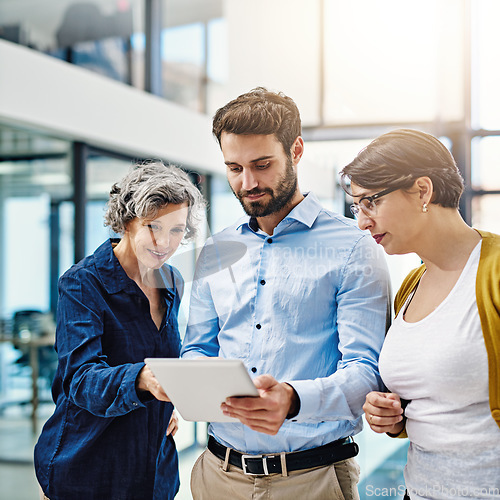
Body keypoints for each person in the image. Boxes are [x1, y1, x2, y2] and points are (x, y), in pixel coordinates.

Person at [181, 87, 391, 500]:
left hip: (310, 479)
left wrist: (293, 400)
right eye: (234, 168)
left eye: (262, 165)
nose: (248, 182)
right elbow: (197, 350)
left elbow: (367, 372)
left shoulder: (353, 247)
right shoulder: (216, 250)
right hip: (215, 475)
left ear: (295, 151)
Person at [340, 129, 500, 499]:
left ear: (423, 191)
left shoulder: (492, 272)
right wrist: (393, 417)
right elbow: (437, 402)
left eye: (371, 203)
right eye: (356, 207)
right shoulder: (410, 286)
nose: (362, 222)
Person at [34, 162, 205, 500]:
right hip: (86, 469)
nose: (165, 242)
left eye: (176, 230)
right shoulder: (83, 283)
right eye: (153, 226)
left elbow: (168, 357)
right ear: (127, 221)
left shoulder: (172, 281)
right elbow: (80, 379)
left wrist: (172, 400)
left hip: (152, 473)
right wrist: (142, 380)